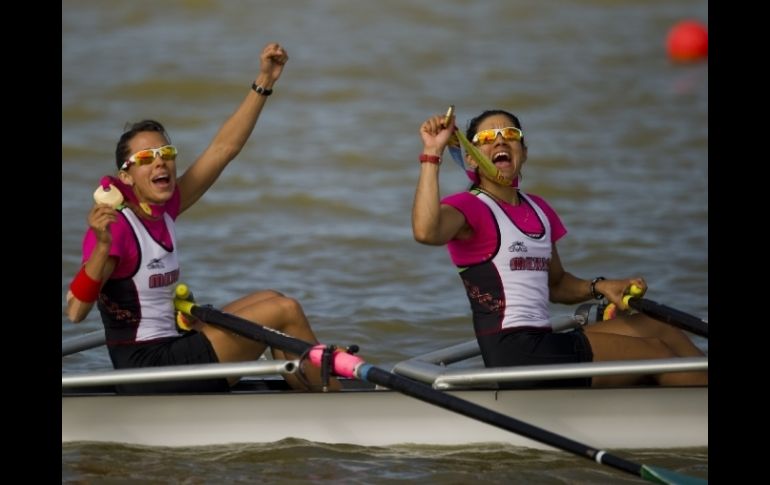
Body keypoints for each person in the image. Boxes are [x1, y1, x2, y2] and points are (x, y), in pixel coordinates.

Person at [66, 42, 340, 393]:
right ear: (126, 176)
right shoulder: (115, 228)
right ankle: (331, 398)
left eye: (166, 152)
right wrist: (102, 247)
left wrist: (264, 81)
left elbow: (223, 149)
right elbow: (75, 311)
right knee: (284, 310)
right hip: (148, 369)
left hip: (171, 346)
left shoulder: (164, 209)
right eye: (146, 158)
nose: (160, 162)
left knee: (271, 297)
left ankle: (311, 390)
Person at [411, 109, 707, 388]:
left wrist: (601, 287)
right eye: (487, 138)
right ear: (472, 159)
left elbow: (556, 284)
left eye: (510, 134)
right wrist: (432, 153)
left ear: (524, 152)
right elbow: (425, 232)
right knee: (656, 354)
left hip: (543, 342)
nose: (500, 140)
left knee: (659, 328)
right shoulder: (469, 207)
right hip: (514, 353)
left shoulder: (538, 208)